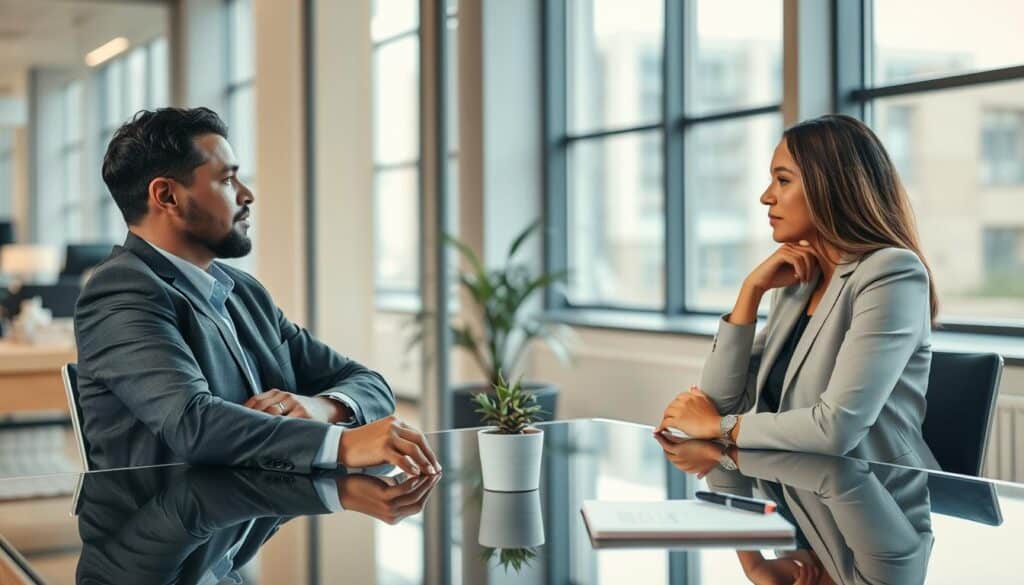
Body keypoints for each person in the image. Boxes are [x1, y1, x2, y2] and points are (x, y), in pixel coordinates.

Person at [75, 107, 439, 477]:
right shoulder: (119, 293)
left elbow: (369, 384)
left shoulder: (243, 292)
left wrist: (323, 407)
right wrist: (342, 444)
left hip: (253, 516)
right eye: (227, 180)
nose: (247, 195)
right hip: (168, 523)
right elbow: (194, 424)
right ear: (167, 196)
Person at [657, 114, 940, 469]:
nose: (766, 196)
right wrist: (751, 292)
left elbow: (835, 429)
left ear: (830, 188)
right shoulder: (798, 281)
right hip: (797, 490)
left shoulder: (891, 273)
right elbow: (719, 401)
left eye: (782, 180)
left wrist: (720, 427)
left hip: (874, 499)